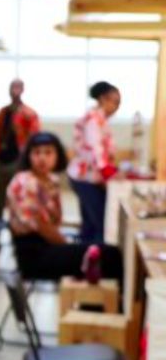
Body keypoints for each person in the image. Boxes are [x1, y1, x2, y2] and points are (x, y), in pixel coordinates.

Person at [8, 132, 122, 284]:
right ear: (28, 156)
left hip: (49, 246)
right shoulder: (26, 182)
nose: (42, 158)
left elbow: (54, 222)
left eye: (48, 152)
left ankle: (96, 299)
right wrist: (67, 245)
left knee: (107, 252)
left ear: (57, 156)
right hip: (34, 256)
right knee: (110, 256)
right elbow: (41, 226)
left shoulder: (51, 181)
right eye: (36, 153)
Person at [68, 81, 122, 244]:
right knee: (100, 223)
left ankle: (85, 251)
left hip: (88, 177)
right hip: (86, 178)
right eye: (115, 102)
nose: (117, 107)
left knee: (90, 223)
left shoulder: (100, 119)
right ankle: (97, 255)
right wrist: (108, 173)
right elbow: (95, 149)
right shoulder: (94, 119)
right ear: (102, 99)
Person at [0, 79, 40, 222]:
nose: (15, 90)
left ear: (23, 90)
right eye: (13, 87)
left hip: (18, 160)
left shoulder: (29, 113)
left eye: (18, 87)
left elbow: (34, 138)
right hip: (2, 159)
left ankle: (16, 224)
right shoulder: (3, 112)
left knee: (16, 195)